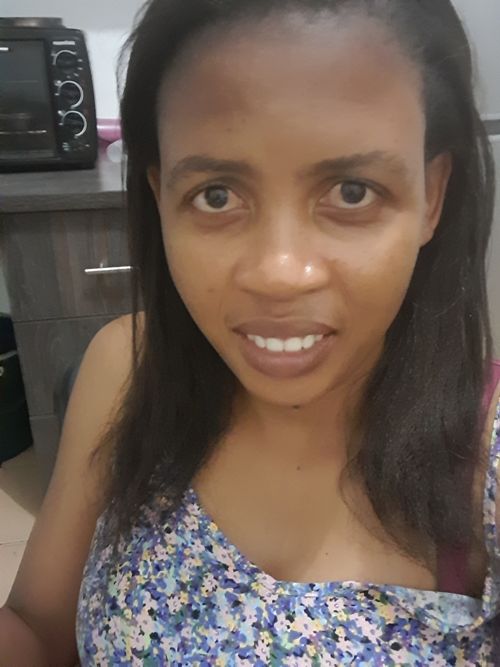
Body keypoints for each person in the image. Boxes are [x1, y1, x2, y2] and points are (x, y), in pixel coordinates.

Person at [1, 0, 499, 664]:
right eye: (216, 195)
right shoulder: (125, 367)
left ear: (432, 195)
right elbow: (38, 627)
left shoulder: (484, 452)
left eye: (352, 191)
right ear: (161, 196)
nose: (279, 275)